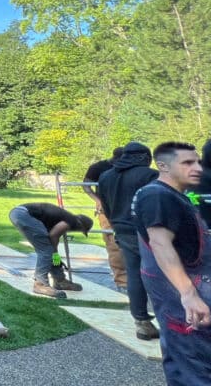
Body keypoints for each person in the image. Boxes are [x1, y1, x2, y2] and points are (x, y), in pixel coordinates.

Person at [132, 142, 211, 385]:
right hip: (178, 291)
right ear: (163, 166)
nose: (197, 167)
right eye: (187, 163)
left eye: (197, 161)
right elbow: (160, 244)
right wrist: (188, 294)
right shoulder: (156, 195)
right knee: (191, 361)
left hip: (189, 285)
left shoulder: (175, 195)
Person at [96, 141, 160, 340]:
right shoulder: (149, 175)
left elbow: (105, 206)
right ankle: (173, 322)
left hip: (121, 229)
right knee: (164, 274)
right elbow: (157, 202)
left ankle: (142, 322)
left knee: (134, 274)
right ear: (143, 157)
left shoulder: (106, 177)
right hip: (148, 230)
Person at [8, 202, 93, 298]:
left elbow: (52, 236)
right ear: (81, 225)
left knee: (49, 251)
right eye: (81, 230)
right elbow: (54, 235)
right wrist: (55, 254)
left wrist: (55, 256)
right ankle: (40, 284)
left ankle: (60, 281)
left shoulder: (64, 218)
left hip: (20, 213)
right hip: (23, 215)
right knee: (46, 251)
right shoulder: (72, 221)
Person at [83, 148, 128, 291]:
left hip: (126, 208)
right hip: (106, 210)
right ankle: (122, 281)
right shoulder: (98, 167)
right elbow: (86, 185)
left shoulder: (129, 167)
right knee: (113, 244)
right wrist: (97, 200)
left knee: (132, 242)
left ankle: (137, 277)